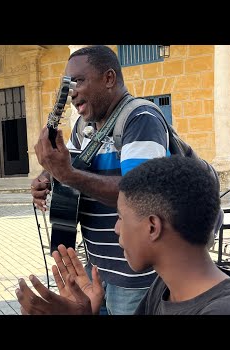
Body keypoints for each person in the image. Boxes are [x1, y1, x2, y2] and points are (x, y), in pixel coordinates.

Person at [31, 45, 169, 314]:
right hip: (96, 272)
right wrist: (46, 177)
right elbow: (67, 165)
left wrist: (67, 175)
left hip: (135, 279)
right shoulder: (83, 128)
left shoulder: (140, 119)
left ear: (108, 79)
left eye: (79, 81)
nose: (72, 93)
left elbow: (139, 196)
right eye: (69, 84)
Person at [18, 156, 230, 315]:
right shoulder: (163, 287)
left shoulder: (226, 309)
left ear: (152, 227)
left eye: (120, 217)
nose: (116, 228)